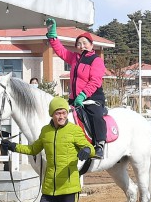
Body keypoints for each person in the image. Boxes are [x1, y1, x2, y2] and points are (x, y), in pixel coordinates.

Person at [44, 18, 107, 157]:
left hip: (92, 99)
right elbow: (60, 50)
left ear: (91, 45)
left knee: (95, 115)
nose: (82, 46)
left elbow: (95, 81)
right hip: (74, 100)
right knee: (59, 115)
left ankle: (100, 145)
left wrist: (83, 95)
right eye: (79, 44)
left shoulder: (96, 60)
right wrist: (53, 35)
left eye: (85, 43)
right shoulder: (74, 58)